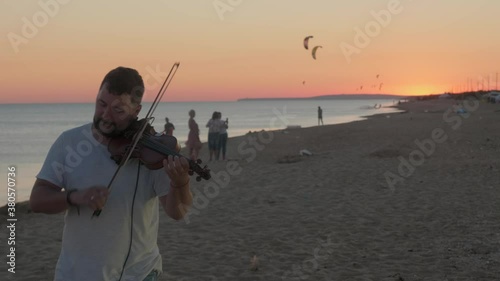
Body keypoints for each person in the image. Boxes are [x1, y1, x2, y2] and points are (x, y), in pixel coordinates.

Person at [29, 66, 193, 281]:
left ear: (136, 111)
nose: (106, 116)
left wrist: (180, 184)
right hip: (75, 274)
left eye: (118, 110)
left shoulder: (152, 152)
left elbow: (177, 212)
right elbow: (37, 200)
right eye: (101, 104)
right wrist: (75, 197)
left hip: (138, 274)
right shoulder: (68, 142)